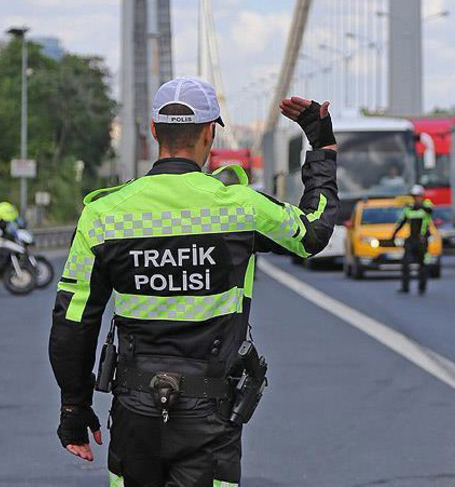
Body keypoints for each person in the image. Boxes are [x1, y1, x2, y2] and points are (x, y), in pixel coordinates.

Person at [49, 78, 339, 487]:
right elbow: (314, 232)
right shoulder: (240, 207)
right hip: (211, 412)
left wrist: (73, 409)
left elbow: (72, 322)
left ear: (154, 132)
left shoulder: (104, 215)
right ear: (209, 132)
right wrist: (321, 146)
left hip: (135, 410)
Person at [391, 185, 433, 295]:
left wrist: (421, 206)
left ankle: (422, 287)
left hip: (422, 240)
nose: (416, 199)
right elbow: (401, 222)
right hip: (411, 239)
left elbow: (430, 210)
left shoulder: (426, 207)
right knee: (406, 263)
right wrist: (394, 234)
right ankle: (405, 287)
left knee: (423, 265)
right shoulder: (408, 210)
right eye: (414, 197)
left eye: (418, 196)